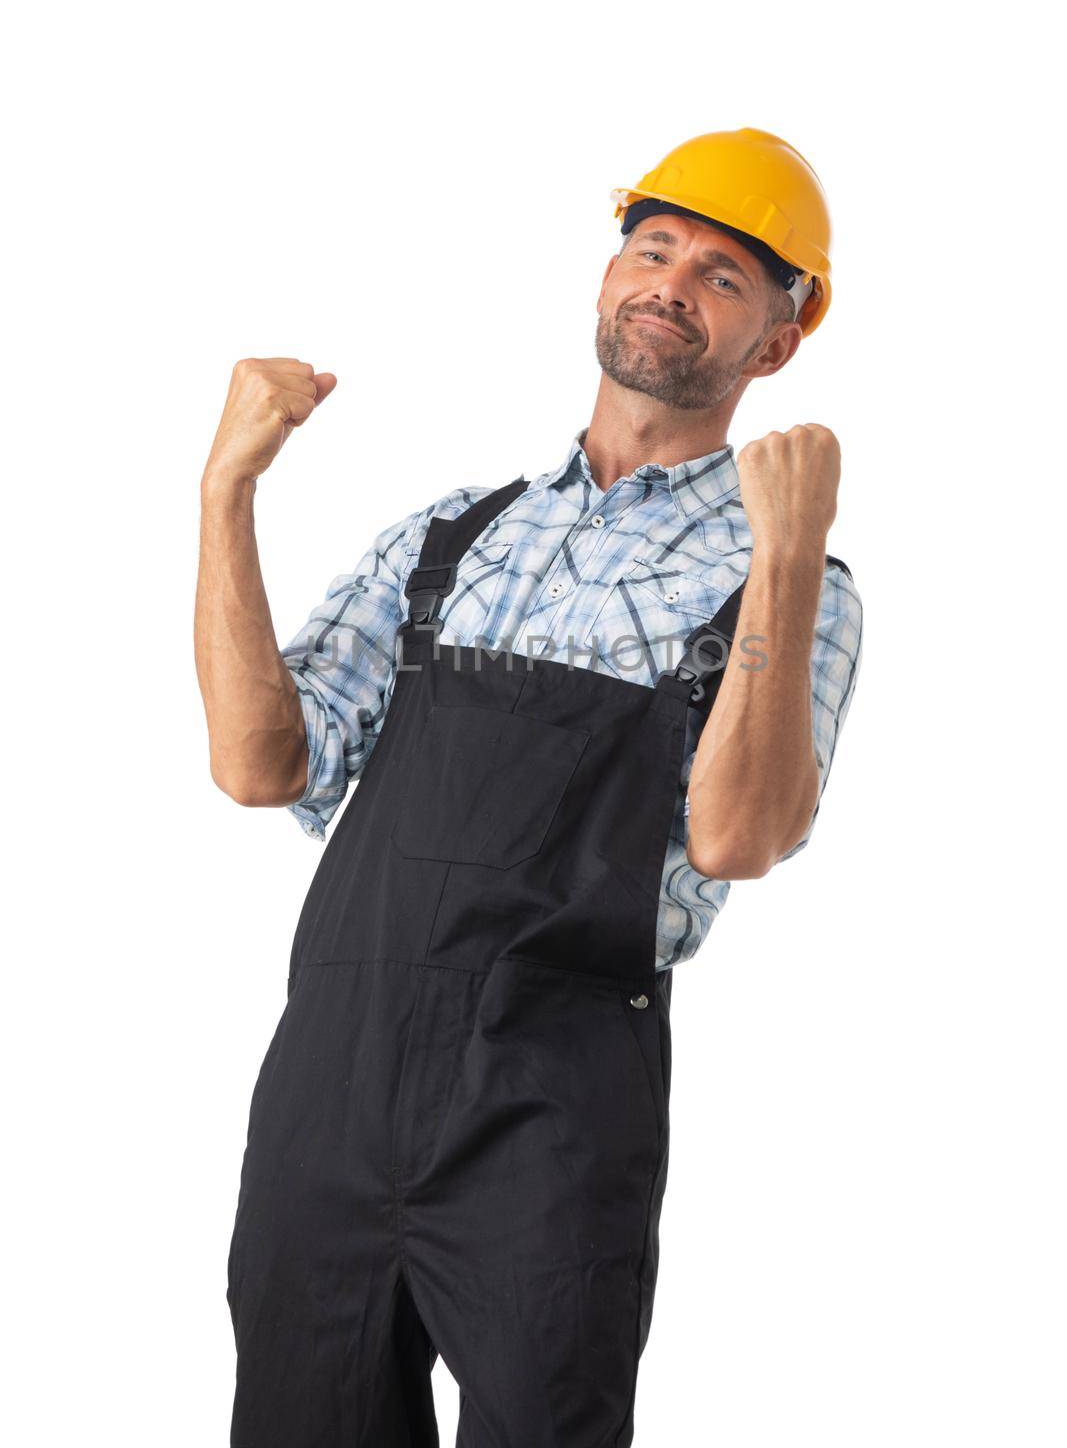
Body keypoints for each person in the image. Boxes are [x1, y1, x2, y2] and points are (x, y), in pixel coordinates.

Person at [195, 126, 864, 1447]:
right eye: (654, 248)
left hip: (552, 1125)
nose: (673, 281)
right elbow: (260, 763)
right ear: (609, 278)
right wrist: (228, 488)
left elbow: (735, 838)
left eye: (726, 275)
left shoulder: (795, 585)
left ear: (778, 342)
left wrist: (785, 554)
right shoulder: (455, 534)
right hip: (332, 1093)